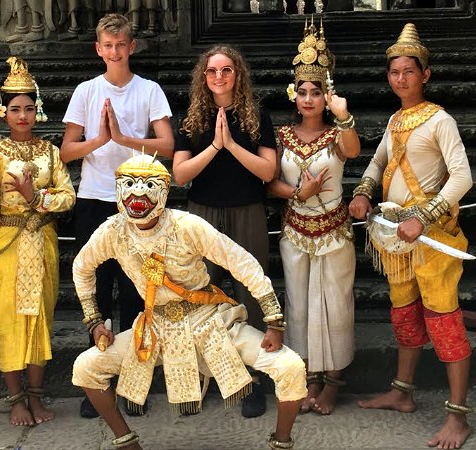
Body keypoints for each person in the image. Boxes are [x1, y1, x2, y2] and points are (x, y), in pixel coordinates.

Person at [71, 154, 306, 450]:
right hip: (154, 328)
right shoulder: (112, 232)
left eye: (148, 185)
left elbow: (241, 261)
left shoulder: (187, 225)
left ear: (164, 191)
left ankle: (282, 444)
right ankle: (127, 444)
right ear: (118, 189)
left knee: (291, 367)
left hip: (210, 322)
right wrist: (94, 322)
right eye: (129, 184)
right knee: (85, 367)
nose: (137, 194)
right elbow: (81, 267)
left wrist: (274, 320)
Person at [349, 23, 473, 449]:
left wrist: (425, 215)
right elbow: (377, 161)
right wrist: (363, 193)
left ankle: (457, 417)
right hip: (397, 240)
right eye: (394, 72)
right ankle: (402, 392)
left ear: (426, 75)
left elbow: (462, 177)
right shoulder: (396, 119)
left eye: (408, 71)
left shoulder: (441, 120)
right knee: (404, 315)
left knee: (444, 319)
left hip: (431, 237)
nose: (400, 78)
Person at [60, 12, 174, 418]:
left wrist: (123, 138)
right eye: (107, 46)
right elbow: (66, 151)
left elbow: (167, 144)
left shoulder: (149, 91)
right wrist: (100, 140)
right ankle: (98, 380)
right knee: (98, 286)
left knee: (137, 290)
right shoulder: (86, 92)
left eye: (120, 45)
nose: (114, 52)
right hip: (94, 197)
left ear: (132, 47)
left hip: (139, 199)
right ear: (98, 49)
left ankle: (134, 381)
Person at [0, 57, 76, 426]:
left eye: (30, 108)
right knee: (10, 320)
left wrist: (35, 198)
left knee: (40, 316)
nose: (23, 115)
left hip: (42, 239)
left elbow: (68, 197)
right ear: (4, 112)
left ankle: (37, 397)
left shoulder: (50, 151)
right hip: (9, 243)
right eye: (15, 109)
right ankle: (15, 399)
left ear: (37, 109)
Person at [173, 44, 276, 418]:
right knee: (199, 295)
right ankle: (196, 381)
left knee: (250, 294)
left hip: (246, 211)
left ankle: (254, 380)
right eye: (213, 71)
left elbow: (268, 172)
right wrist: (215, 145)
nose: (219, 77)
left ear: (237, 75)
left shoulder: (256, 116)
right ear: (204, 76)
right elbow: (179, 174)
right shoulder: (192, 119)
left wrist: (231, 144)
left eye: (226, 70)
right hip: (202, 215)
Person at [266, 19, 361, 416]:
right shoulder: (282, 136)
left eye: (316, 92)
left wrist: (345, 117)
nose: (308, 99)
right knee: (300, 307)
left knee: (335, 305)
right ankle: (309, 378)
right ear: (294, 95)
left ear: (327, 96)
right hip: (295, 229)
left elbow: (353, 152)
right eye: (302, 91)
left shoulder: (337, 133)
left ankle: (334, 382)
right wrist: (297, 193)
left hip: (334, 233)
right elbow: (269, 183)